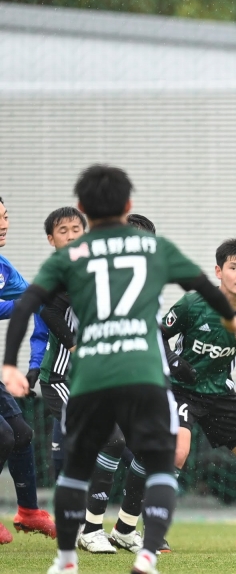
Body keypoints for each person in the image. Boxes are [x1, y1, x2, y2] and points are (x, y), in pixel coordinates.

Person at [3, 165, 236, 574]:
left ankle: (119, 539)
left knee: (154, 449)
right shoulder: (114, 256)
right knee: (108, 447)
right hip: (80, 377)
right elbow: (200, 283)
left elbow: (30, 303)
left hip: (125, 376)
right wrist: (230, 317)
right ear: (128, 206)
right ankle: (93, 535)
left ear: (85, 210)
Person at [35, 207, 156, 555]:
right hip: (63, 378)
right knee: (111, 440)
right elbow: (48, 308)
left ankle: (124, 528)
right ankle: (88, 528)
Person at [160, 238, 236, 551]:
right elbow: (157, 336)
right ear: (218, 271)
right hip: (181, 391)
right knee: (177, 452)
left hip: (220, 393)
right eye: (233, 267)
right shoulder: (192, 304)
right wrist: (175, 362)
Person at [0, 195, 57, 544]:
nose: (3, 223)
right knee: (3, 436)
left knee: (21, 434)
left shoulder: (3, 266)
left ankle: (29, 512)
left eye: (6, 216)